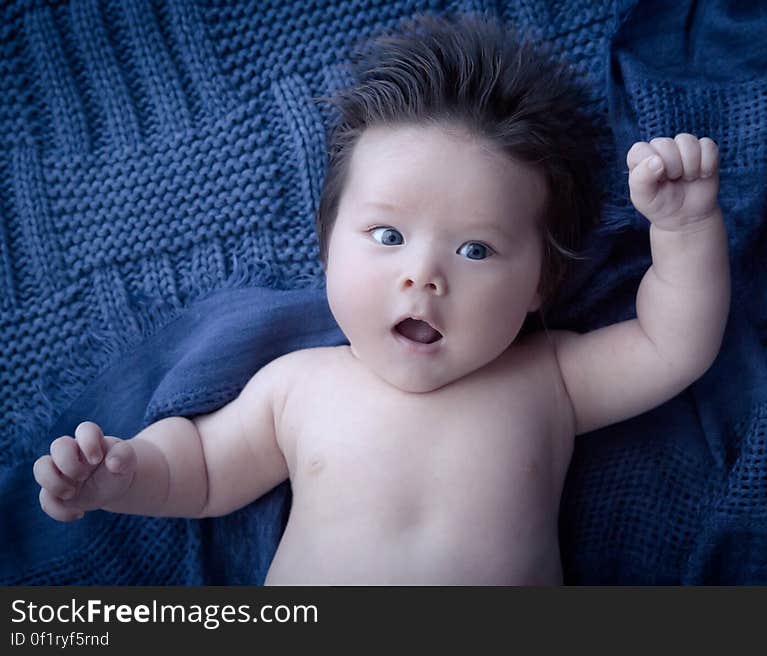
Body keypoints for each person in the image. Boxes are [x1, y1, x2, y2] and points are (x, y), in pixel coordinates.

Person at [32, 14, 729, 584]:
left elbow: (671, 345)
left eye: (475, 250)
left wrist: (686, 227)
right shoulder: (296, 388)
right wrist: (121, 477)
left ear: (539, 285)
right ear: (327, 243)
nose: (423, 276)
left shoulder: (550, 377)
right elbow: (207, 470)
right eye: (388, 234)